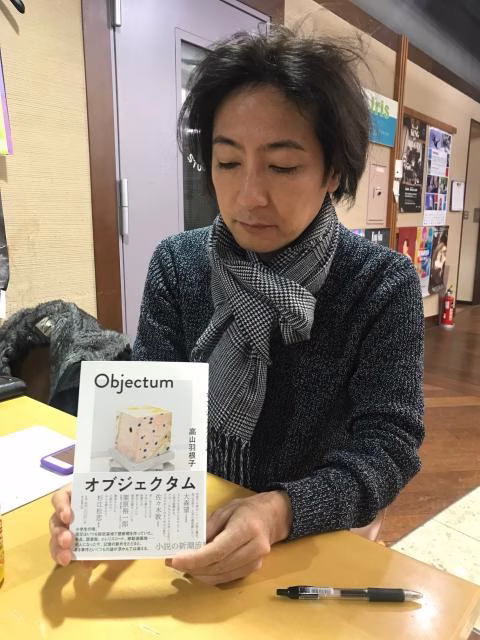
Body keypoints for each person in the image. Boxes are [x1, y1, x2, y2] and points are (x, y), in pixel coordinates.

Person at [49, 27, 424, 585]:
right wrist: (106, 495)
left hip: (318, 542)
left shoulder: (380, 284)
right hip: (193, 524)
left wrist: (279, 511)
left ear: (333, 172)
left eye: (282, 166)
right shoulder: (179, 264)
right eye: (227, 162)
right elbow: (150, 408)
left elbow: (389, 444)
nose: (249, 196)